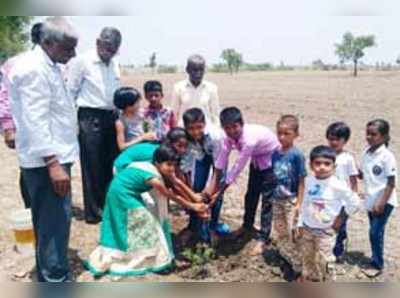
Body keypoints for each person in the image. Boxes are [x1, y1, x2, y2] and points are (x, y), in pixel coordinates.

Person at [6, 17, 78, 282]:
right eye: (68, 48)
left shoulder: (47, 64)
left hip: (51, 156)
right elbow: (35, 119)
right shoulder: (34, 69)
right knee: (54, 222)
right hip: (47, 161)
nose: (73, 54)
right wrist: (53, 164)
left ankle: (49, 275)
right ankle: (55, 280)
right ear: (48, 42)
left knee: (49, 223)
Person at [86, 145, 208, 276]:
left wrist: (194, 198)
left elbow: (177, 182)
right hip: (121, 194)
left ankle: (144, 256)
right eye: (168, 165)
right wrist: (193, 206)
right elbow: (169, 195)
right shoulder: (153, 177)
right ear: (157, 163)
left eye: (174, 165)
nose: (172, 169)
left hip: (123, 191)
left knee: (141, 222)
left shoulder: (158, 168)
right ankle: (142, 258)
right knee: (146, 222)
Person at [67, 27, 122, 224]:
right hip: (89, 117)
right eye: (107, 46)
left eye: (114, 48)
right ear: (98, 42)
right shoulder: (82, 61)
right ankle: (93, 212)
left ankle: (107, 207)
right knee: (92, 165)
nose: (109, 51)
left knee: (111, 163)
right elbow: (70, 92)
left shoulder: (114, 64)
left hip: (111, 117)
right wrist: (72, 123)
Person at [210, 107, 280, 245]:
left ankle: (263, 237)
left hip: (272, 163)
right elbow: (222, 158)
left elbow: (238, 166)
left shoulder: (249, 139)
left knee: (267, 200)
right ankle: (247, 227)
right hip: (257, 161)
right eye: (227, 128)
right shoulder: (227, 137)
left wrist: (220, 191)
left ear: (241, 123)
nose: (231, 131)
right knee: (251, 195)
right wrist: (213, 185)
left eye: (234, 127)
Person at [297, 146, 360, 281]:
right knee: (307, 256)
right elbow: (304, 202)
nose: (322, 167)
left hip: (326, 231)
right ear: (311, 165)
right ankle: (309, 279)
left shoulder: (337, 185)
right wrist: (300, 222)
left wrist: (340, 219)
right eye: (318, 163)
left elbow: (354, 202)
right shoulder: (308, 181)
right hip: (308, 228)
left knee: (325, 260)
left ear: (334, 166)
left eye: (327, 164)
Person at [0, 21, 43, 209]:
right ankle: (32, 206)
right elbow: (4, 95)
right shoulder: (16, 64)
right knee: (29, 165)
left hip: (51, 128)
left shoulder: (60, 65)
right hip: (25, 125)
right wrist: (8, 127)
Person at [265, 115, 306, 280]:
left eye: (286, 133)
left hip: (291, 200)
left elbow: (302, 180)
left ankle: (299, 267)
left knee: (293, 232)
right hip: (277, 199)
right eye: (279, 133)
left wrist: (299, 204)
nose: (282, 137)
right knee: (280, 231)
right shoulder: (275, 153)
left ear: (296, 134)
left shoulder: (297, 155)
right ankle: (286, 259)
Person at [180, 108, 229, 243]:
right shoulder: (185, 138)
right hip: (200, 154)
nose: (196, 132)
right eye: (191, 128)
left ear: (204, 124)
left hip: (218, 156)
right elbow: (187, 168)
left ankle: (212, 226)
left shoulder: (216, 137)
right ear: (185, 127)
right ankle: (193, 226)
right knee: (197, 188)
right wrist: (190, 194)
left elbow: (218, 170)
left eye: (199, 127)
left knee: (215, 194)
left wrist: (210, 193)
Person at [360, 119, 397, 278]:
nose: (369, 137)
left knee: (375, 232)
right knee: (375, 232)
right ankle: (375, 258)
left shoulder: (387, 156)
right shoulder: (366, 153)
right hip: (371, 200)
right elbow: (364, 174)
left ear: (384, 136)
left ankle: (377, 264)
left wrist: (381, 202)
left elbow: (391, 182)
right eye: (367, 133)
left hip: (384, 201)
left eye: (373, 134)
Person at [326, 122, 359, 263]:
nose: (333, 142)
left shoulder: (348, 158)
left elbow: (353, 180)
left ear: (345, 140)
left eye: (336, 139)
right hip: (328, 198)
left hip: (342, 201)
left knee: (339, 226)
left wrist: (354, 197)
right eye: (330, 138)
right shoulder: (325, 154)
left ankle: (337, 252)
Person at [171, 55, 220, 131]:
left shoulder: (212, 88)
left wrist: (217, 131)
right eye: (195, 70)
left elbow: (215, 114)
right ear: (187, 70)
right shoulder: (178, 87)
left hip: (205, 130)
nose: (198, 73)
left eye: (201, 70)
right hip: (184, 130)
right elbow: (174, 114)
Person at [113, 127, 189, 174]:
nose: (183, 150)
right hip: (122, 166)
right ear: (170, 143)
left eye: (185, 146)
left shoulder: (168, 153)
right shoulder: (160, 153)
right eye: (179, 146)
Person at [114, 87, 156, 151]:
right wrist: (142, 138)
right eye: (137, 102)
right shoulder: (121, 122)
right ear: (128, 105)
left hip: (147, 146)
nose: (139, 104)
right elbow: (121, 147)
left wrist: (149, 127)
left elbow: (148, 130)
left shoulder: (142, 114)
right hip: (134, 150)